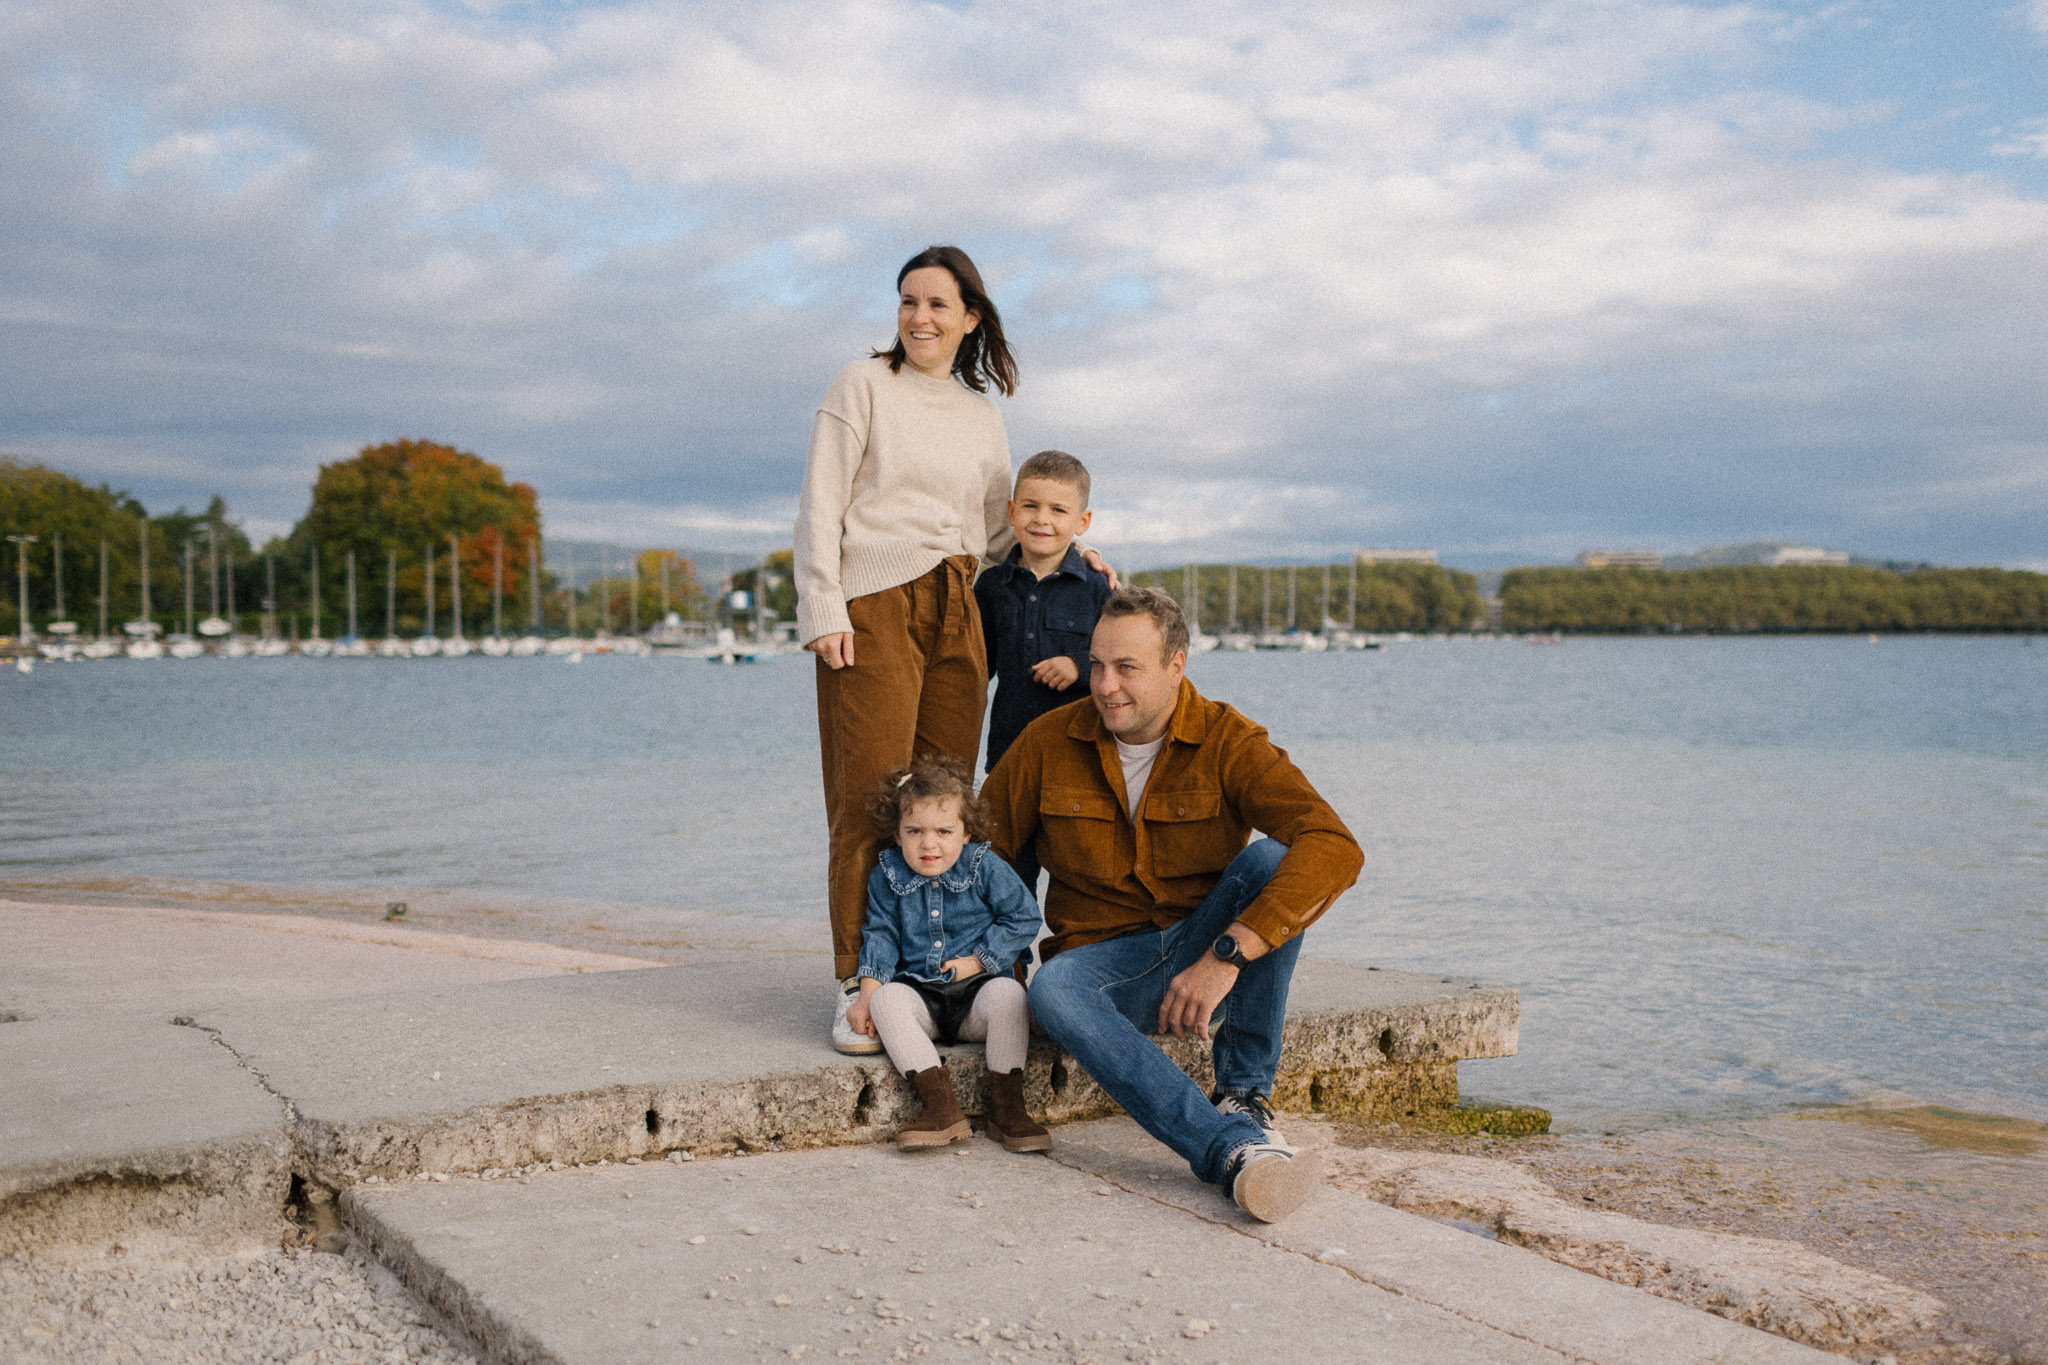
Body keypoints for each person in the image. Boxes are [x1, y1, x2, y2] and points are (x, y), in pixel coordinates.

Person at [794, 245, 1110, 1054]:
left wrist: (1073, 558)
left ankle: (938, 977)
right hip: (874, 604)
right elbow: (822, 500)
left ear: (970, 316)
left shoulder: (979, 410)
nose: (919, 317)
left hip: (960, 605)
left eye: (938, 304)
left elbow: (1003, 528)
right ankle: (857, 986)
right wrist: (824, 604)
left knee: (943, 805)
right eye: (908, 301)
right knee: (870, 796)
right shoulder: (861, 384)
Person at [979, 588, 1364, 1222]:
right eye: (1097, 664)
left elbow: (1334, 845)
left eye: (1127, 667)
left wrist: (1226, 955)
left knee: (1274, 861)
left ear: (1176, 665)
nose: (1105, 686)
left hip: (1201, 950)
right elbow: (982, 861)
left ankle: (1243, 1096)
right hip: (1102, 969)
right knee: (1052, 992)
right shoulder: (1046, 742)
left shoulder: (1229, 740)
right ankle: (1232, 1152)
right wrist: (995, 972)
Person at [844, 758, 1049, 1153]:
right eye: (914, 831)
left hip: (978, 999)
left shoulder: (986, 867)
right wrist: (868, 992)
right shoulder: (886, 876)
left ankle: (1009, 1107)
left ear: (966, 832)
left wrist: (978, 961)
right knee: (888, 1000)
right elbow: (881, 935)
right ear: (897, 834)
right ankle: (940, 1106)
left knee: (1010, 996)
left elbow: (1023, 918)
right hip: (923, 1000)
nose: (929, 843)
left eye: (944, 831)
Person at [972, 449, 1113, 896]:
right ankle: (1005, 964)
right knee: (1006, 867)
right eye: (1030, 506)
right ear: (1011, 512)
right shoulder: (992, 587)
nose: (1042, 520)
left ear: (1082, 522)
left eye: (1058, 510)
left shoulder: (1097, 586)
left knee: (1080, 868)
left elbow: (1129, 662)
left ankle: (1078, 958)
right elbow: (975, 669)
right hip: (1009, 754)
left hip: (1081, 757)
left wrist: (1079, 663)